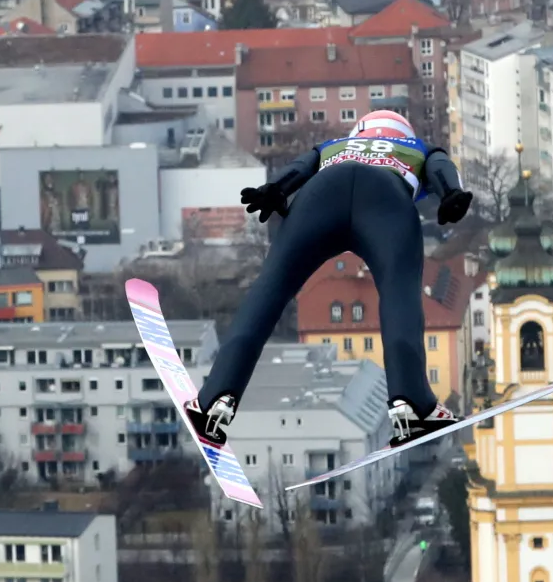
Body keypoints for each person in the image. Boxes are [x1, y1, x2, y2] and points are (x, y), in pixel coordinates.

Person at [184, 110, 474, 449]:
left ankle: (215, 401)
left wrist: (275, 189)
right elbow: (443, 170)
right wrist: (451, 193)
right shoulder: (420, 149)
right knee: (400, 297)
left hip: (321, 195)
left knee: (270, 289)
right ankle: (411, 406)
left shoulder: (334, 145)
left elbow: (299, 167)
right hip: (385, 201)